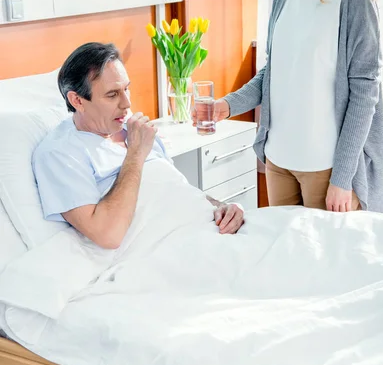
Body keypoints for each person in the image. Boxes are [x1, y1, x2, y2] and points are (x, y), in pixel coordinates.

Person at [194, 0, 383, 213]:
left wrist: (343, 179)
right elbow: (274, 72)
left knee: (328, 262)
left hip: (326, 169)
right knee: (286, 261)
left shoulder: (354, 1)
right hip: (278, 161)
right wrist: (226, 105)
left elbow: (364, 95)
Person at [32, 43, 244, 249]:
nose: (126, 104)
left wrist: (220, 207)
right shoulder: (60, 153)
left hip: (205, 228)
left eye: (126, 89)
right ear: (77, 101)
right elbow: (108, 236)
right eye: (112, 94)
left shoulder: (133, 128)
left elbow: (175, 187)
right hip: (164, 246)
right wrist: (135, 153)